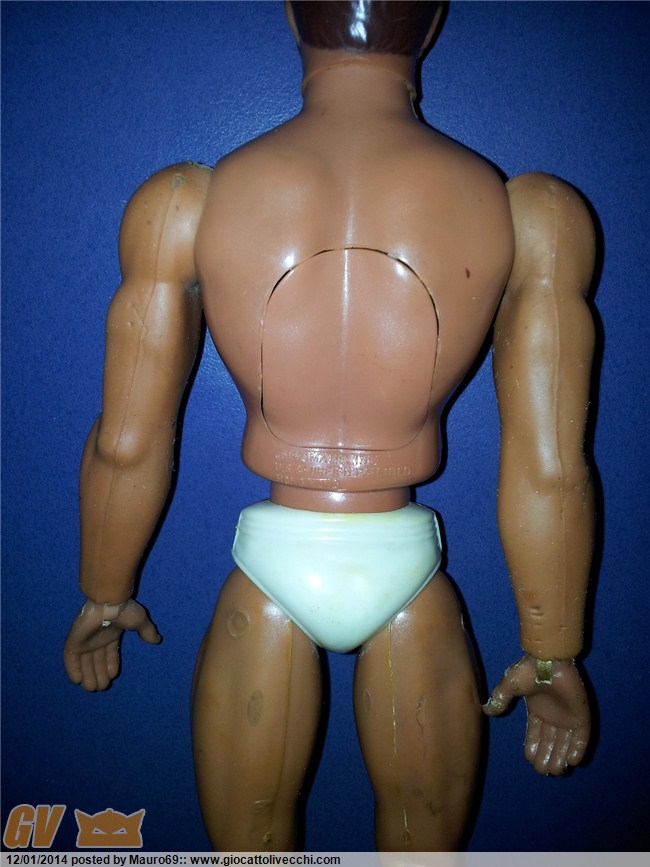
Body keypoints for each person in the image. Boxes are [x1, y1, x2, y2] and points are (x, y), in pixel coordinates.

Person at [64, 1, 596, 852]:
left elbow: (126, 442)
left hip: (269, 572)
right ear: (432, 23)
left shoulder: (184, 203)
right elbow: (551, 467)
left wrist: (104, 588)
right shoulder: (532, 215)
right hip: (408, 573)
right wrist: (550, 654)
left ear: (290, 14)